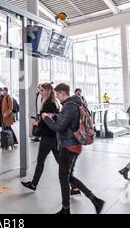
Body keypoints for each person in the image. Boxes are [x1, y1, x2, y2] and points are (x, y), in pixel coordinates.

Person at [42, 83, 105, 214]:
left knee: (63, 177)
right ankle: (95, 200)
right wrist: (56, 116)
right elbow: (69, 121)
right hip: (75, 145)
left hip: (69, 146)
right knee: (68, 176)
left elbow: (59, 128)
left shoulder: (69, 107)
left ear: (64, 93)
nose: (57, 98)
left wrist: (47, 119)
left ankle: (67, 209)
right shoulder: (77, 103)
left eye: (58, 95)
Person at [22, 83, 60, 190]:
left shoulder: (48, 103)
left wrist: (38, 124)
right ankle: (74, 185)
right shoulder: (55, 102)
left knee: (40, 161)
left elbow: (48, 121)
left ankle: (34, 184)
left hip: (47, 137)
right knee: (61, 163)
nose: (40, 92)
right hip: (54, 137)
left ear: (47, 91)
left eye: (42, 90)